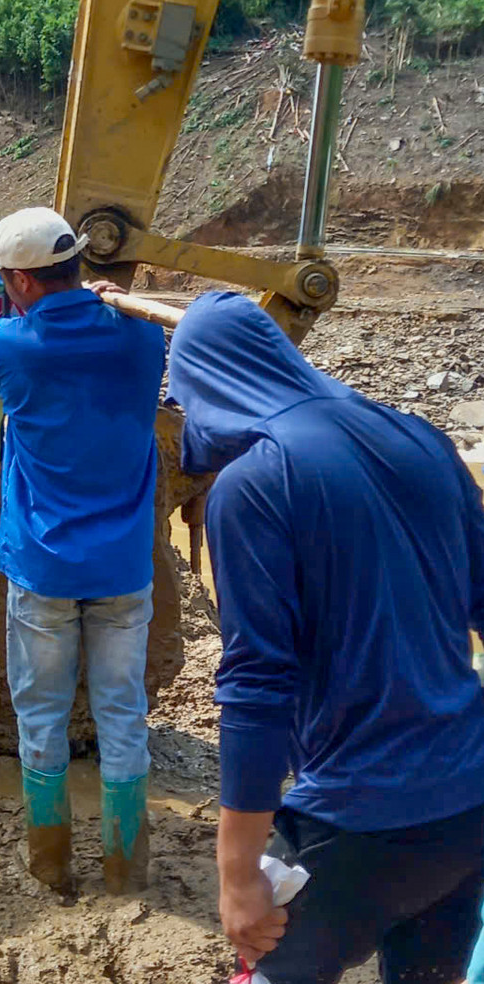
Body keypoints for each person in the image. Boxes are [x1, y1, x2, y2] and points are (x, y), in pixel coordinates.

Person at [166, 292, 484, 983]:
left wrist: (238, 873)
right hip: (468, 804)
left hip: (358, 815)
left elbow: (257, 687)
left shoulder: (254, 485)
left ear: (209, 386)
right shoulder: (421, 439)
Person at [0, 207, 165, 895]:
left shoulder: (8, 346)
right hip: (123, 567)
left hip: (44, 565)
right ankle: (125, 867)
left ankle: (49, 861)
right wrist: (110, 303)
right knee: (123, 715)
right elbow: (122, 335)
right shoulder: (144, 339)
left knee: (42, 717)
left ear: (22, 281)